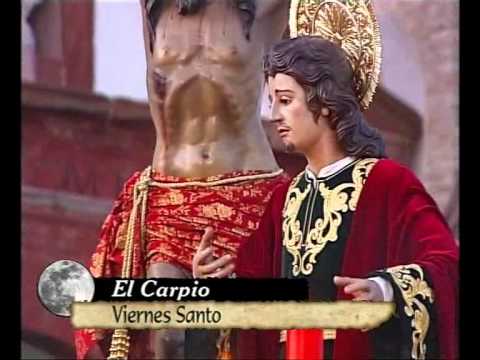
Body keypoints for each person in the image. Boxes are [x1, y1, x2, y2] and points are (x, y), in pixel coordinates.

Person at [192, 1, 459, 359]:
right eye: (271, 101)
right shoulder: (284, 199)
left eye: (285, 100)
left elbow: (446, 264)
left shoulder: (387, 183)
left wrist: (385, 288)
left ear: (327, 101)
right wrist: (214, 283)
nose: (274, 115)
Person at [74, 0, 291, 359]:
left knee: (237, 335)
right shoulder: (154, 9)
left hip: (245, 193)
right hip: (171, 193)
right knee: (169, 337)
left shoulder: (261, 7)